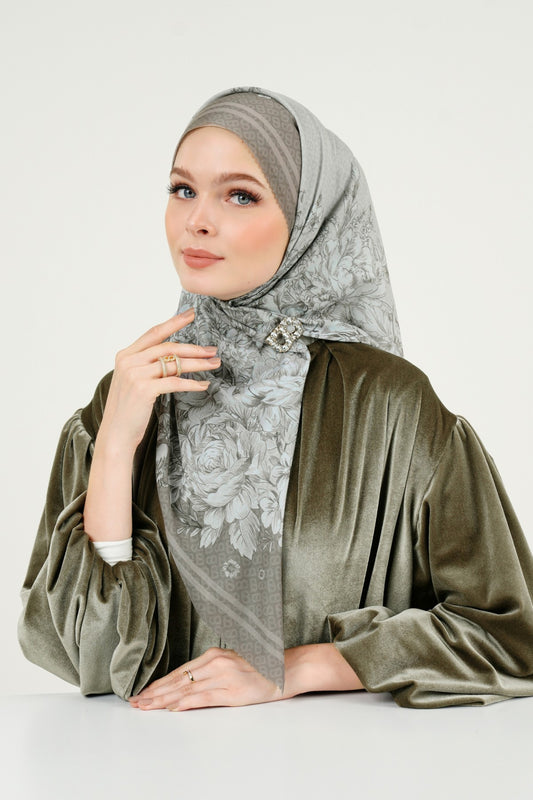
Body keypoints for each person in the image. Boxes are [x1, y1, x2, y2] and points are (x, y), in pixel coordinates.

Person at [18, 86, 533, 710]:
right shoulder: (132, 393)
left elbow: (508, 635)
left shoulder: (389, 404)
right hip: (148, 757)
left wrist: (295, 668)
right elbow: (90, 662)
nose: (197, 220)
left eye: (240, 195)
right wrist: (114, 446)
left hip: (338, 759)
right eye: (182, 189)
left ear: (309, 218)